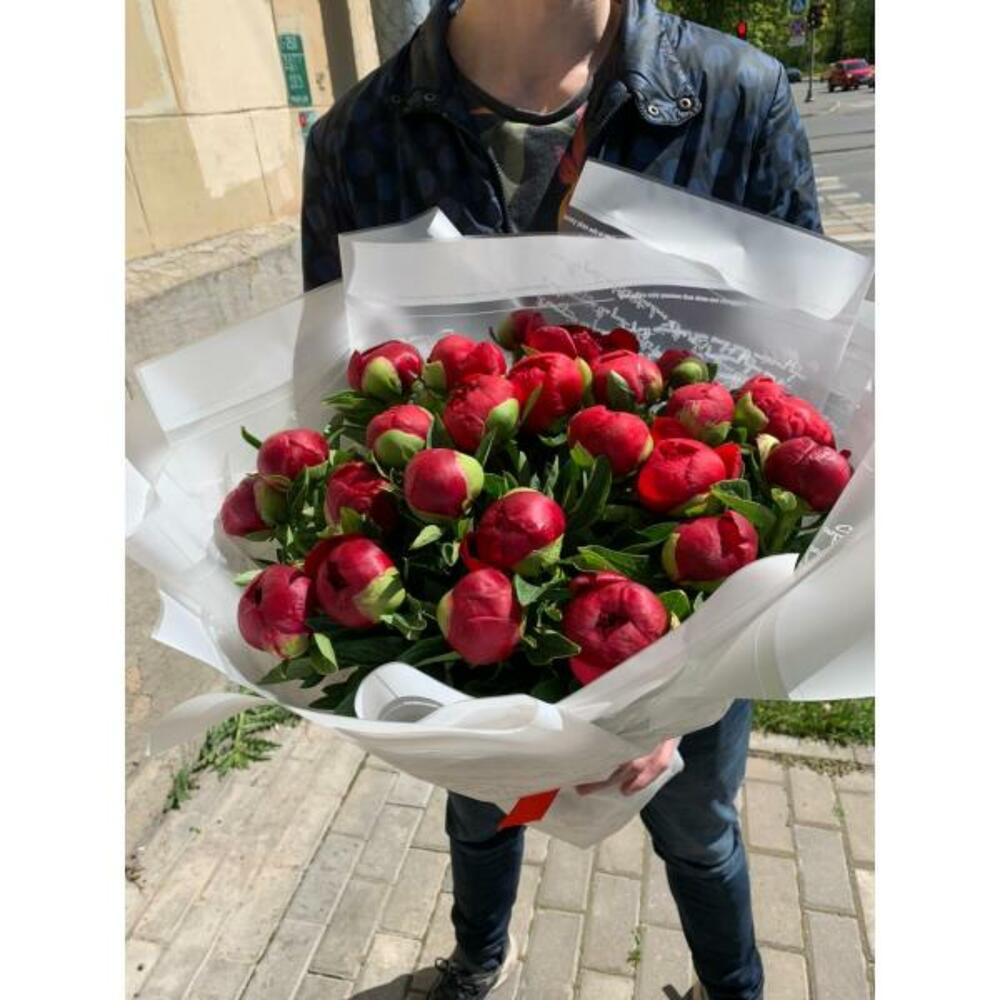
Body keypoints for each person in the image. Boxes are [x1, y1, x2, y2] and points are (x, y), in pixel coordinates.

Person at [301, 3, 821, 998]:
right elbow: (339, 410)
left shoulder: (736, 98)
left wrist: (679, 685)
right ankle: (476, 962)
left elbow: (804, 398)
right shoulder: (356, 140)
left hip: (696, 614)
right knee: (480, 811)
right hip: (462, 621)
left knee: (699, 829)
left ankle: (735, 989)